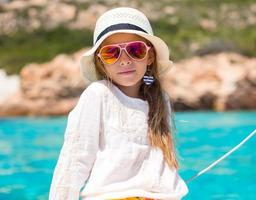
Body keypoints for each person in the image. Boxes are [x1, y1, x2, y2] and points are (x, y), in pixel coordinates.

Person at [49, 7, 188, 200]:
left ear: (150, 56)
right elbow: (74, 160)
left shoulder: (160, 98)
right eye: (111, 53)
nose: (124, 60)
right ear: (101, 63)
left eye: (135, 50)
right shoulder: (98, 95)